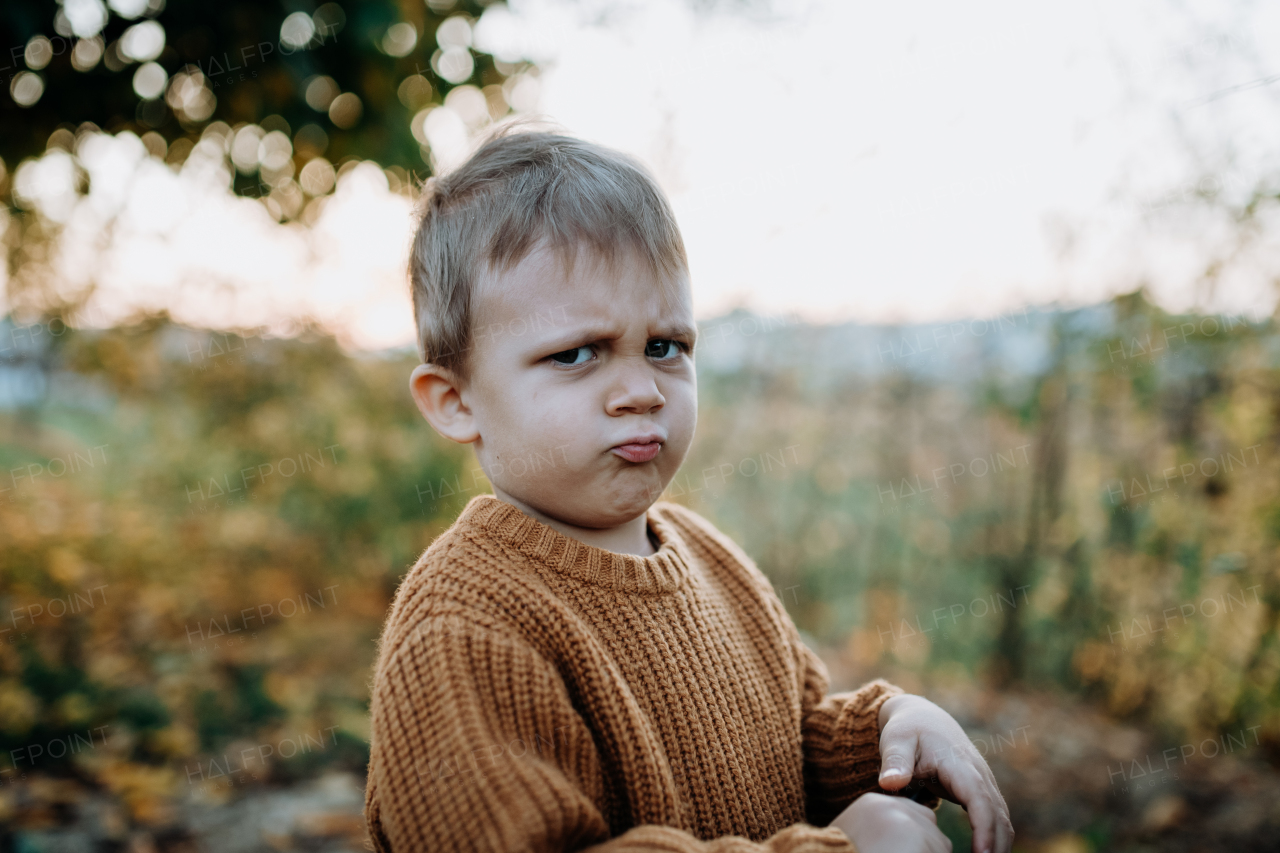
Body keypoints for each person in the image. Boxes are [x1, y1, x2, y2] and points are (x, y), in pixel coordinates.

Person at [363, 117, 1013, 853]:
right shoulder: (463, 628)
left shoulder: (710, 556)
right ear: (456, 401)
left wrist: (885, 735)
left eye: (665, 346)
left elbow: (790, 740)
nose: (640, 389)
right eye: (578, 353)